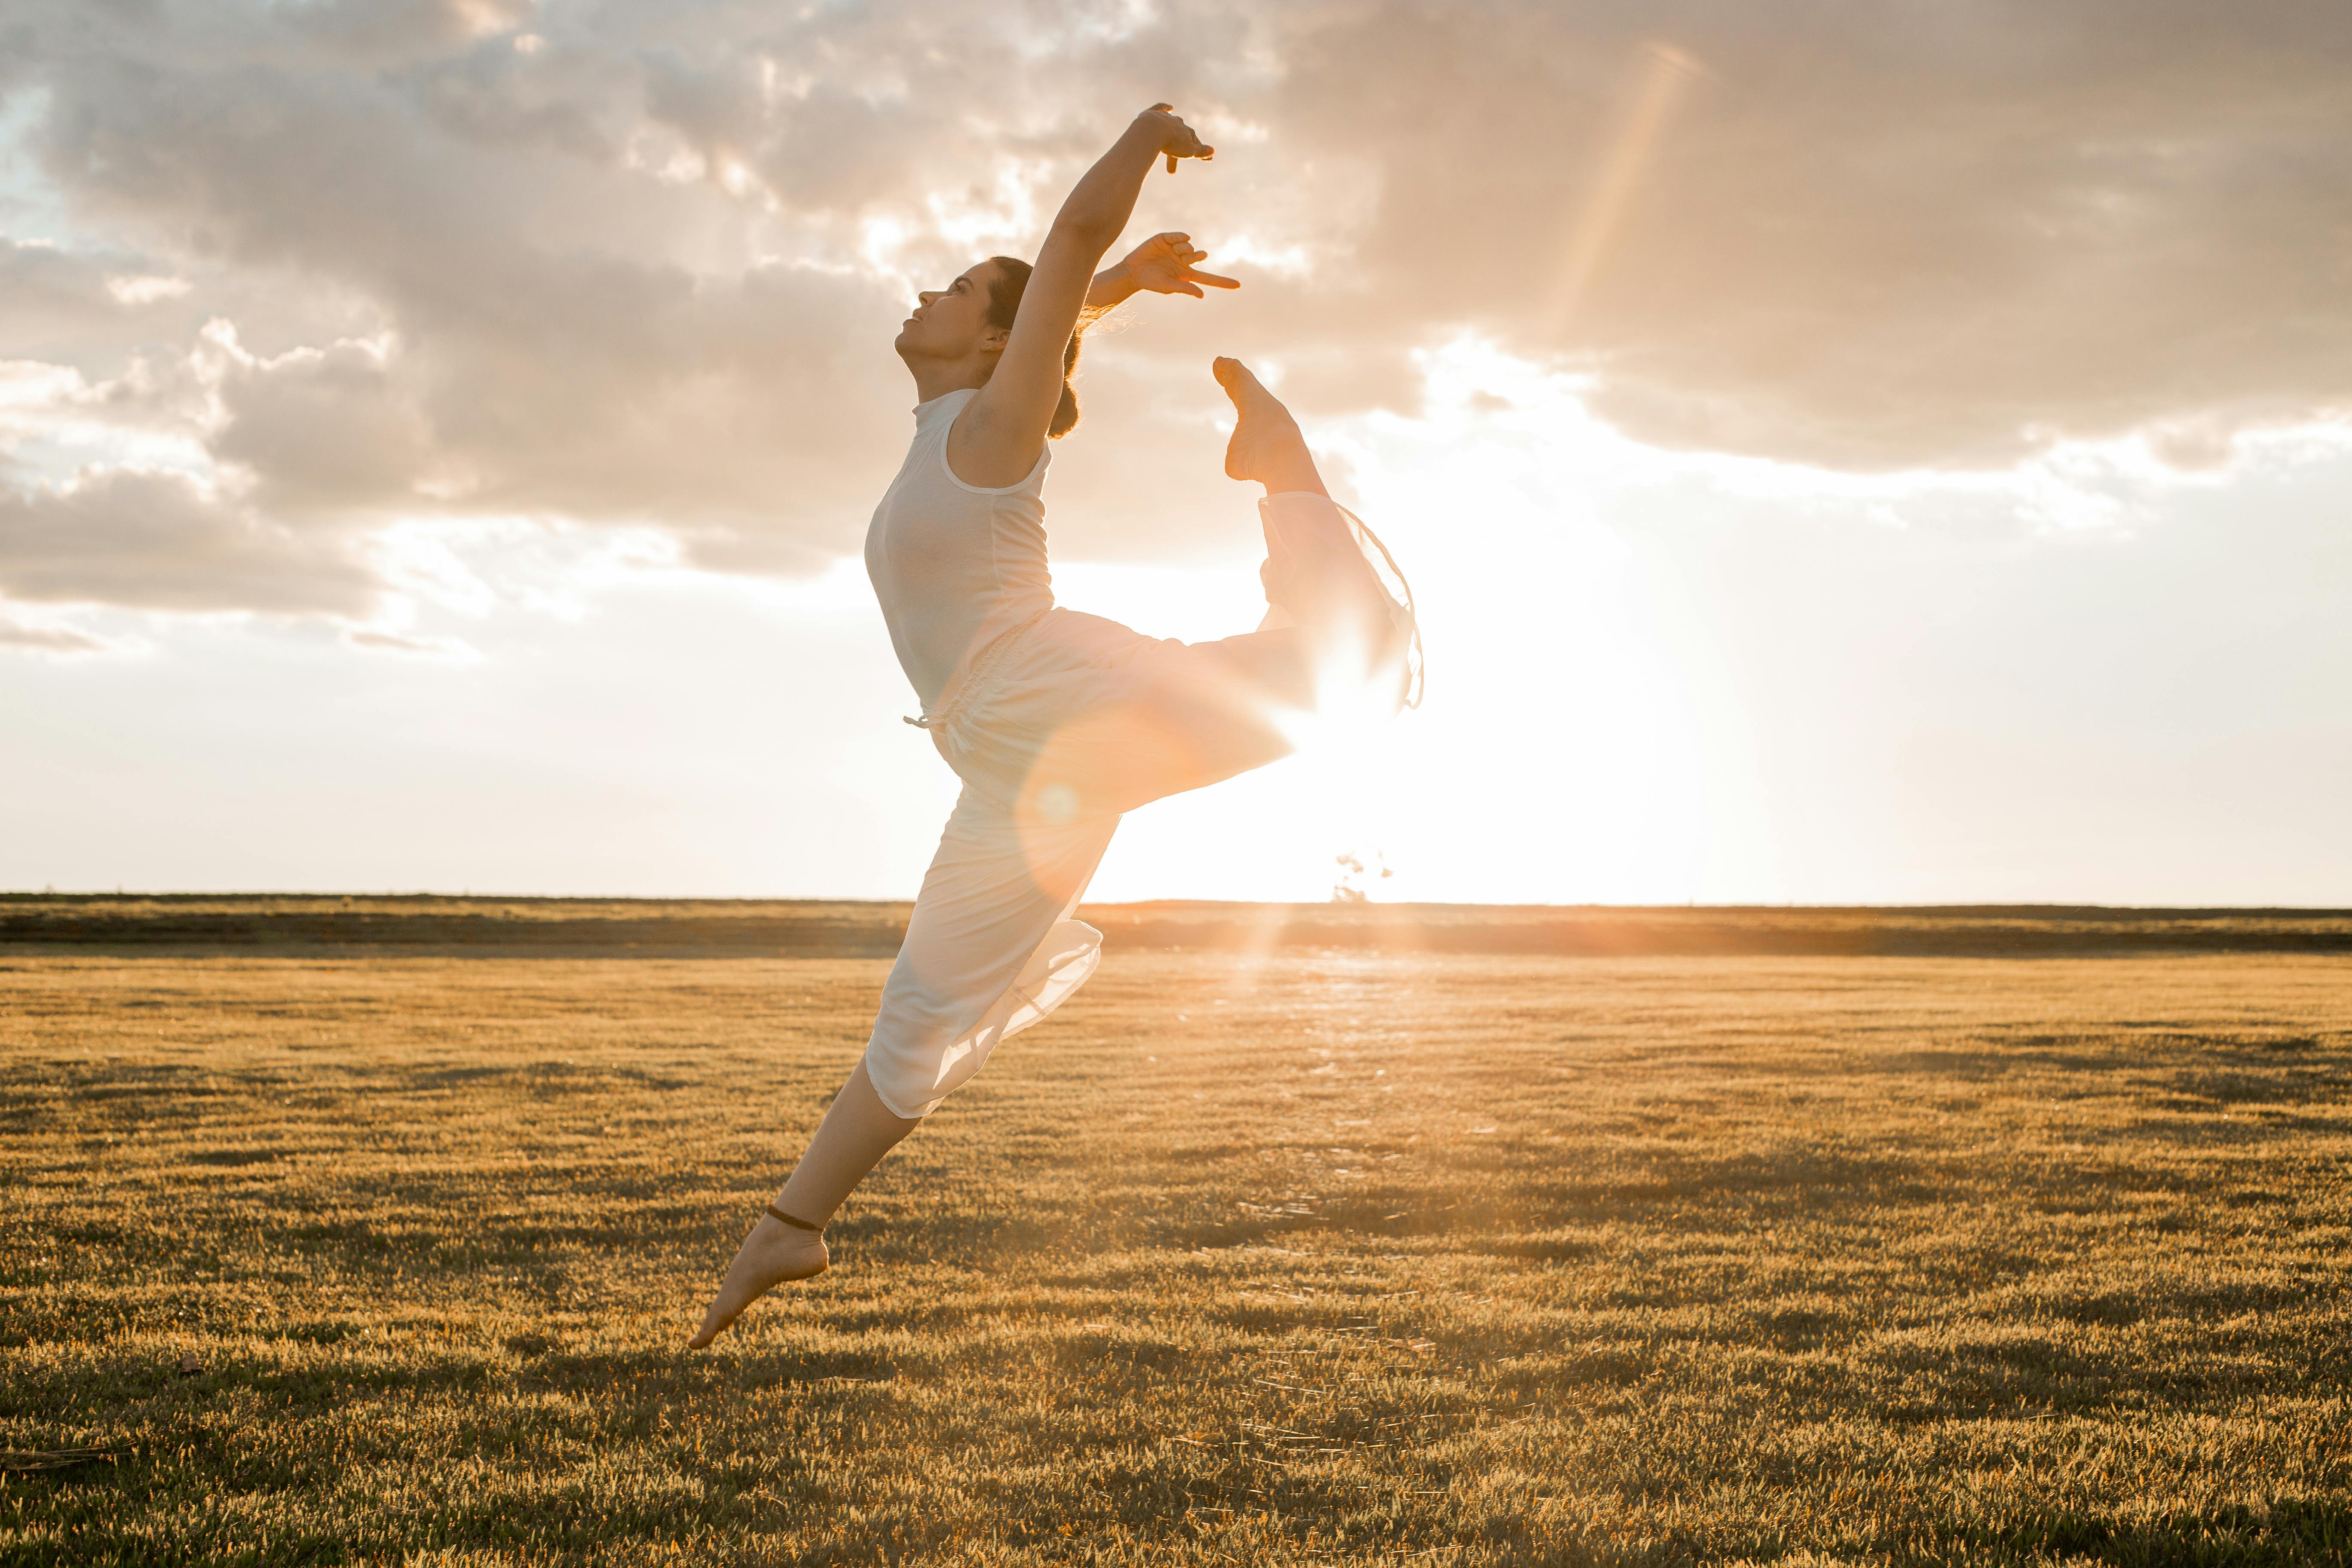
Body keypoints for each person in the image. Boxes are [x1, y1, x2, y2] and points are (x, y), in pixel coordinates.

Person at [690, 106, 1415, 1348]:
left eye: (962, 287)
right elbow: (1062, 301)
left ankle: (1284, 472)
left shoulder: (988, 436)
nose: (931, 290)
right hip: (996, 758)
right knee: (925, 1008)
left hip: (1051, 693)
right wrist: (1118, 291)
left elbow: (1066, 243)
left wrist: (1138, 146)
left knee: (1332, 677)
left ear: (989, 340)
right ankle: (791, 1227)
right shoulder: (945, 434)